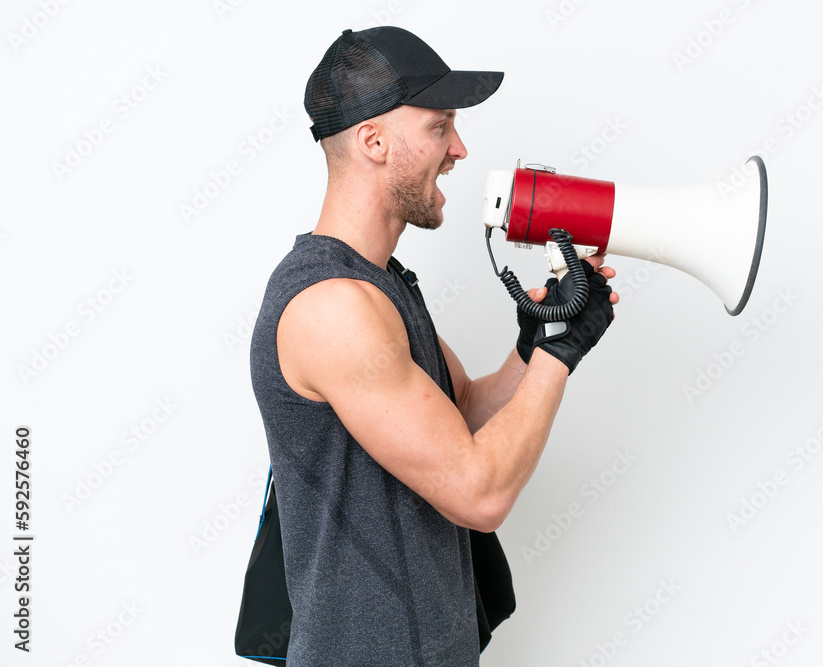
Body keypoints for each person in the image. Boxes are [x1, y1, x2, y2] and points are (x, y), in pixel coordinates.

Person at [249, 26, 617, 665]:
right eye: (440, 126)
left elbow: (463, 411)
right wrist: (560, 359)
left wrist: (537, 343)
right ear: (374, 141)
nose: (461, 148)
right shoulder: (332, 306)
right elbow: (480, 493)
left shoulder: (380, 285)